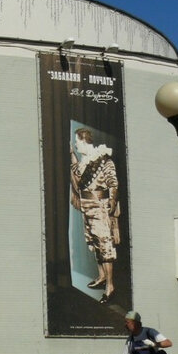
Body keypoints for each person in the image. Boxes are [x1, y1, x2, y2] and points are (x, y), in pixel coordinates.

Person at [69, 128, 121, 304]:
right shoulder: (85, 161)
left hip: (99, 208)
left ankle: (110, 286)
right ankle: (102, 277)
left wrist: (110, 206)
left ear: (83, 140)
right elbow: (77, 175)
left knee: (105, 246)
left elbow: (113, 183)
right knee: (95, 243)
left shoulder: (104, 159)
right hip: (87, 207)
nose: (76, 144)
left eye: (77, 141)